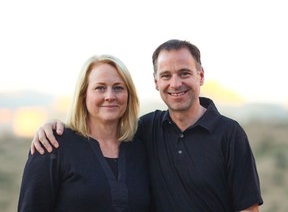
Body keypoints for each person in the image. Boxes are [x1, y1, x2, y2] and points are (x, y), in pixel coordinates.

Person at [30, 39, 263, 211]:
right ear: (155, 82)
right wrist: (52, 126)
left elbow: (249, 208)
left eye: (184, 73)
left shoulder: (229, 134)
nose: (175, 83)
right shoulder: (147, 130)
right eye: (166, 76)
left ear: (200, 75)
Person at [18, 54, 151, 212]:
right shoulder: (53, 145)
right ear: (83, 95)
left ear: (129, 96)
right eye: (100, 88)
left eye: (118, 88)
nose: (110, 96)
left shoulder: (141, 148)